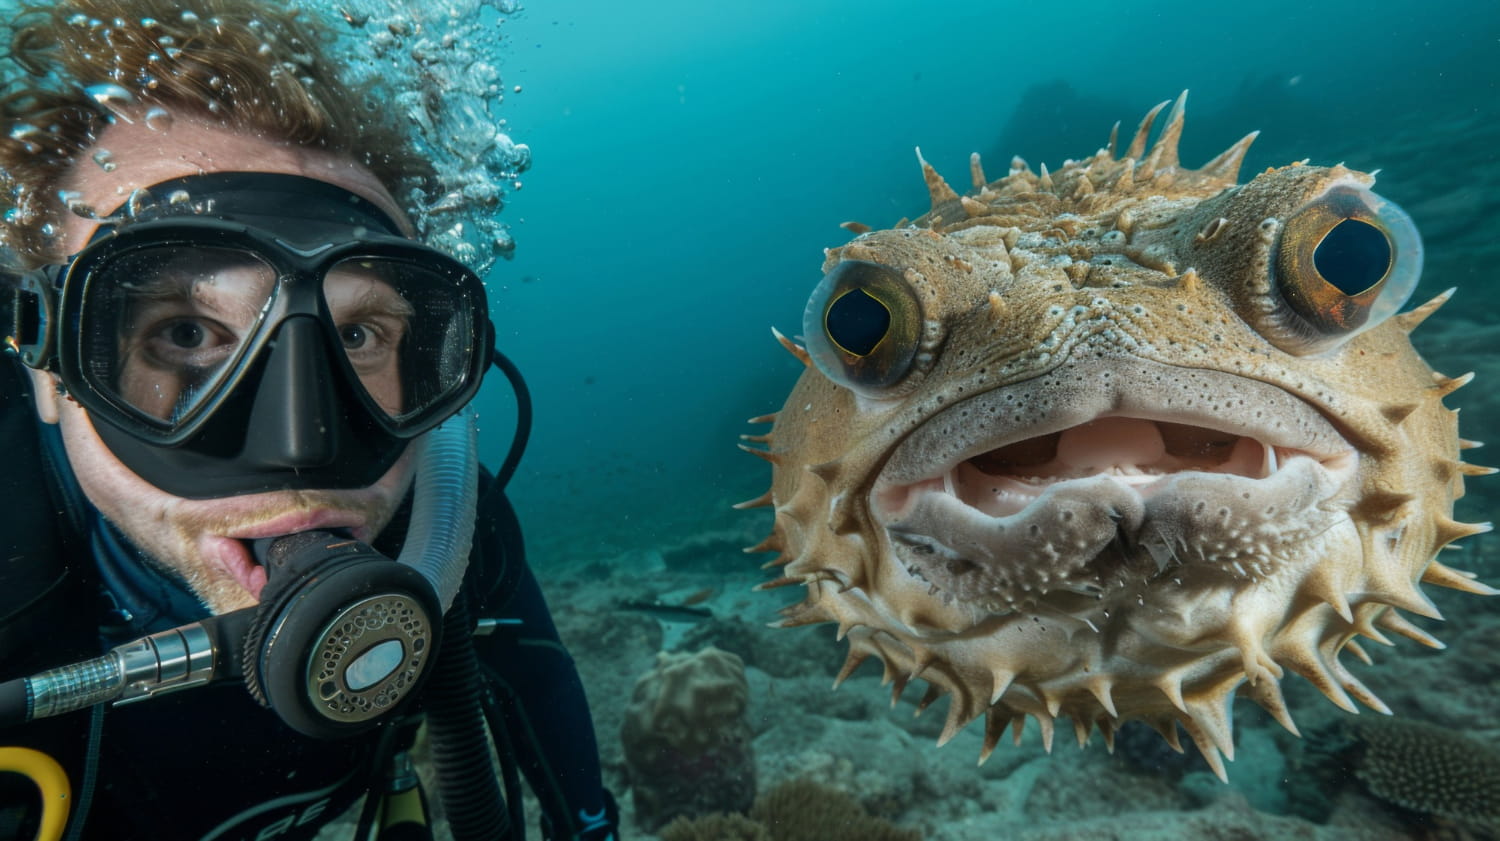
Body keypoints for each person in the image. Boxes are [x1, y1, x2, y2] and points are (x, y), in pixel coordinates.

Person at [0, 1, 619, 840]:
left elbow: (556, 737)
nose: (305, 446)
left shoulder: (449, 530)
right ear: (44, 369)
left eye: (359, 334)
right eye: (186, 333)